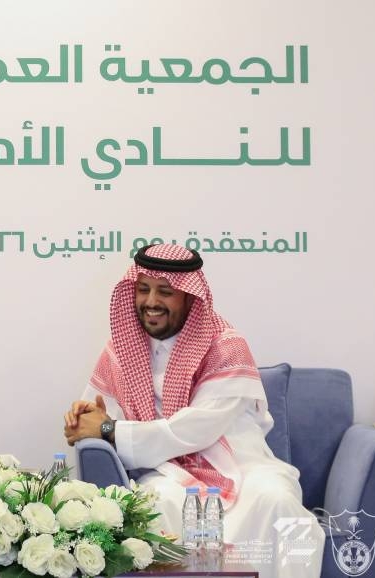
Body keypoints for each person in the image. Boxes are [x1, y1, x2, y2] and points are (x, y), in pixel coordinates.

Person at [63, 243, 323, 578]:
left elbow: (195, 430)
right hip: (166, 471)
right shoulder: (120, 349)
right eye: (143, 289)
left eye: (165, 291)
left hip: (240, 468)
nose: (151, 301)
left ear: (189, 296)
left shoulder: (226, 346)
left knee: (276, 500)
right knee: (158, 502)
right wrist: (84, 420)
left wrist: (110, 429)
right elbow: (98, 417)